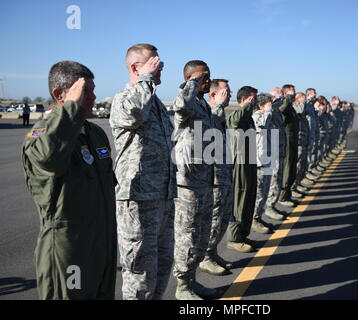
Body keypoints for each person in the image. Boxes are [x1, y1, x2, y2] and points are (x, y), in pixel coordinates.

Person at [22, 61, 117, 299]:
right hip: (69, 252)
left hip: (102, 246)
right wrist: (71, 109)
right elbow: (49, 157)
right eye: (85, 91)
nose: (93, 97)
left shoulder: (94, 133)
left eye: (93, 90)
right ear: (59, 94)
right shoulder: (42, 134)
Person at [109, 43, 176, 300]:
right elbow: (133, 114)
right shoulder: (124, 99)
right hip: (137, 198)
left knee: (162, 263)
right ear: (136, 67)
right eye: (154, 61)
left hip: (162, 196)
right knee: (139, 271)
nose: (160, 66)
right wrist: (146, 79)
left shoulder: (155, 103)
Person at [171, 60, 219, 300]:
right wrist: (193, 82)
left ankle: (192, 280)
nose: (208, 81)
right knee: (187, 233)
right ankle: (182, 286)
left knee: (201, 232)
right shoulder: (186, 100)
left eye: (209, 76)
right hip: (187, 181)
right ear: (190, 79)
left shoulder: (202, 103)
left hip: (204, 177)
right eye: (203, 77)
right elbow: (181, 104)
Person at [199, 79, 234, 276]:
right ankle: (205, 257)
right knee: (213, 219)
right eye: (225, 91)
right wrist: (219, 105)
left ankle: (211, 253)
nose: (229, 94)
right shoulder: (208, 112)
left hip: (223, 174)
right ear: (213, 95)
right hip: (212, 178)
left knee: (221, 219)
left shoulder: (219, 113)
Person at [226, 86, 258, 253]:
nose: (256, 103)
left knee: (249, 198)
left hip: (250, 162)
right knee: (240, 199)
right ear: (244, 100)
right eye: (253, 99)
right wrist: (246, 105)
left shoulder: (249, 119)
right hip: (239, 164)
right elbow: (235, 121)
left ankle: (243, 234)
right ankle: (234, 237)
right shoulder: (235, 116)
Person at [252, 93, 275, 234]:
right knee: (259, 193)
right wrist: (267, 111)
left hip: (266, 159)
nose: (271, 105)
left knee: (265, 192)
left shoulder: (268, 116)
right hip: (258, 162)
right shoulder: (257, 117)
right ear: (261, 105)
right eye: (269, 103)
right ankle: (254, 219)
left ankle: (259, 216)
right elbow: (262, 127)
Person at [265, 88, 289, 220]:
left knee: (277, 179)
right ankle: (268, 207)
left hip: (279, 149)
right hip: (272, 150)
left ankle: (272, 205)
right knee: (273, 180)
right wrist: (275, 99)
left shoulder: (277, 110)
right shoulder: (270, 108)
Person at [277, 84, 299, 208]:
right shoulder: (283, 105)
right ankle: (283, 196)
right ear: (285, 93)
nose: (294, 94)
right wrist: (288, 99)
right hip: (286, 142)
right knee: (287, 168)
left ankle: (288, 193)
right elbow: (281, 111)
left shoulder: (291, 107)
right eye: (291, 92)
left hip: (293, 141)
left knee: (292, 168)